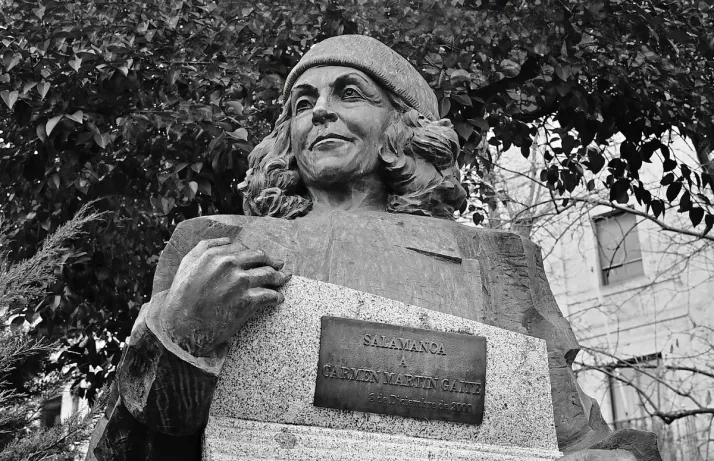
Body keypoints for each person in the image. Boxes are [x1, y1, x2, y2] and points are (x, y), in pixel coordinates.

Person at [86, 35, 659, 461]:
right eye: (302, 103)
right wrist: (179, 338)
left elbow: (574, 436)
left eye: (349, 93)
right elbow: (122, 450)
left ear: (401, 126)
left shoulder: (497, 259)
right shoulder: (215, 242)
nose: (320, 111)